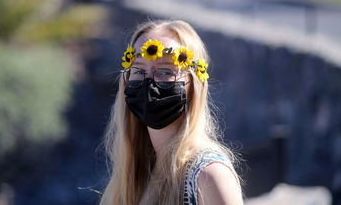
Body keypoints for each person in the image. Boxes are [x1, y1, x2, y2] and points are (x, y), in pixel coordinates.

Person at [100, 20, 243, 205]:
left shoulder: (209, 176)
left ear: (194, 86)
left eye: (166, 72)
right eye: (139, 69)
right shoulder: (138, 173)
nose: (149, 82)